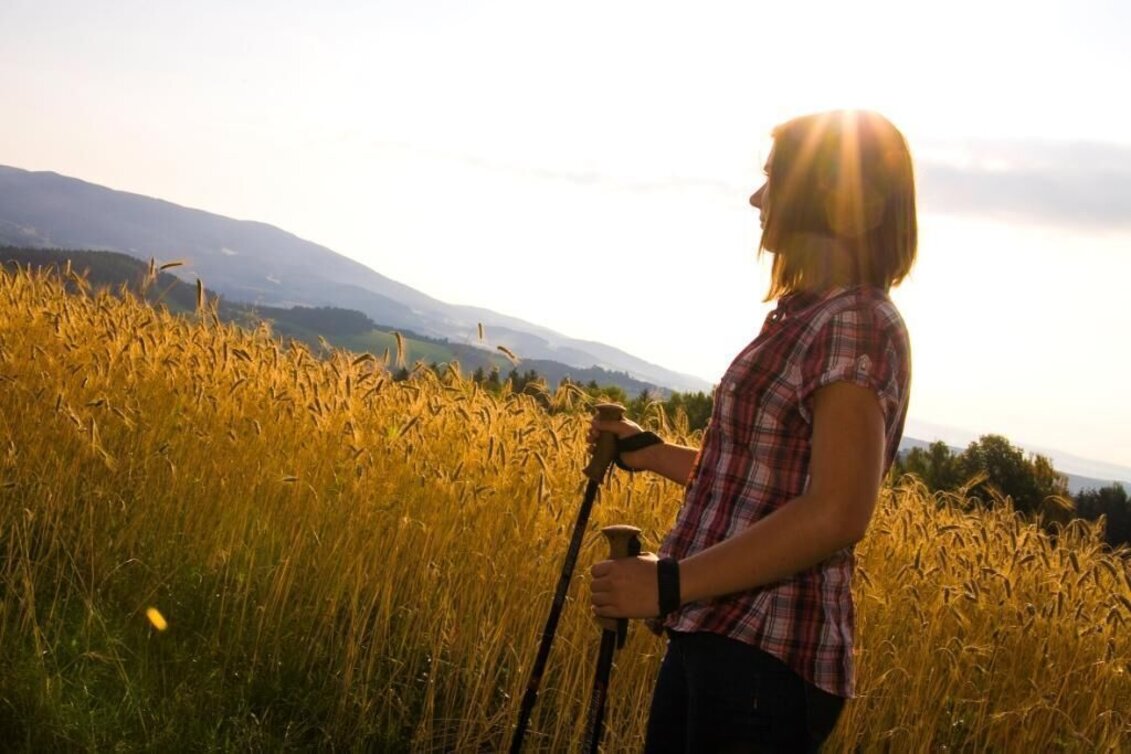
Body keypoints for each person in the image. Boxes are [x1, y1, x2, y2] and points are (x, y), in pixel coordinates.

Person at [588, 109, 917, 753]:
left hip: (764, 657)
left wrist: (669, 583)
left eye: (774, 177)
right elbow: (759, 479)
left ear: (836, 198)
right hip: (726, 637)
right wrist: (650, 453)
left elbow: (838, 511)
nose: (757, 197)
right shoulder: (810, 315)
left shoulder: (854, 323)